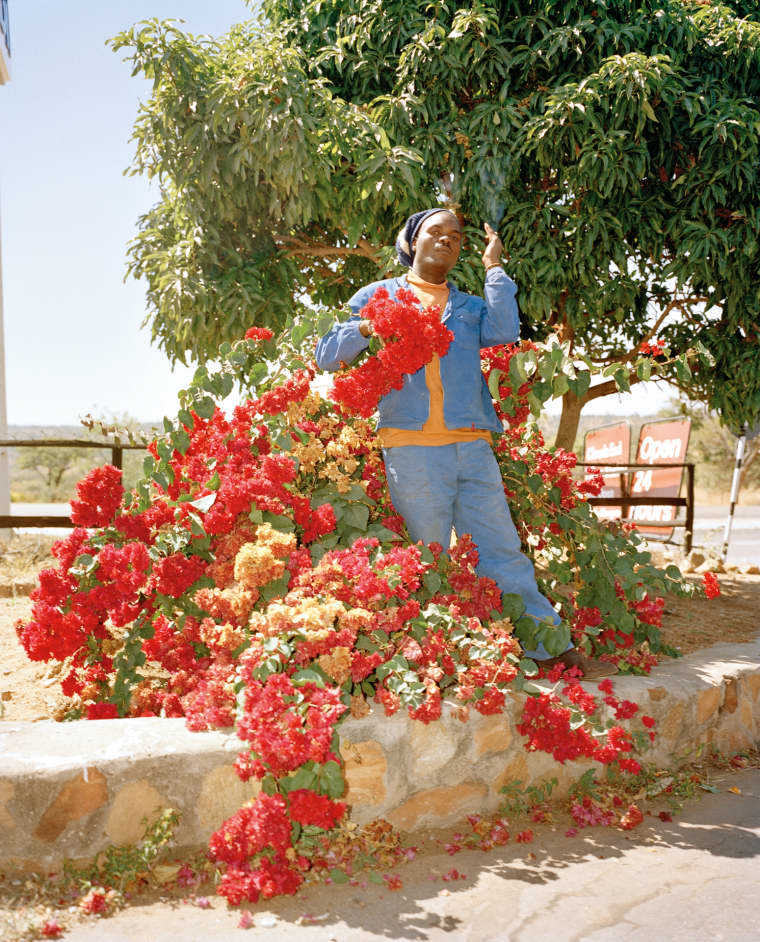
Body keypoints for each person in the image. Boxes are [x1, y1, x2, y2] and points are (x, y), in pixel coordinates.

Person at [316, 208, 613, 676]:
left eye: (456, 237)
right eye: (436, 232)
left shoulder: (470, 307)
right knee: (427, 556)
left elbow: (504, 330)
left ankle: (548, 646)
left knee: (501, 550)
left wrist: (495, 267)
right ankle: (429, 661)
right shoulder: (377, 296)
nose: (447, 240)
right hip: (412, 449)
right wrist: (369, 327)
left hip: (471, 447)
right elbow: (327, 356)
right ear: (411, 242)